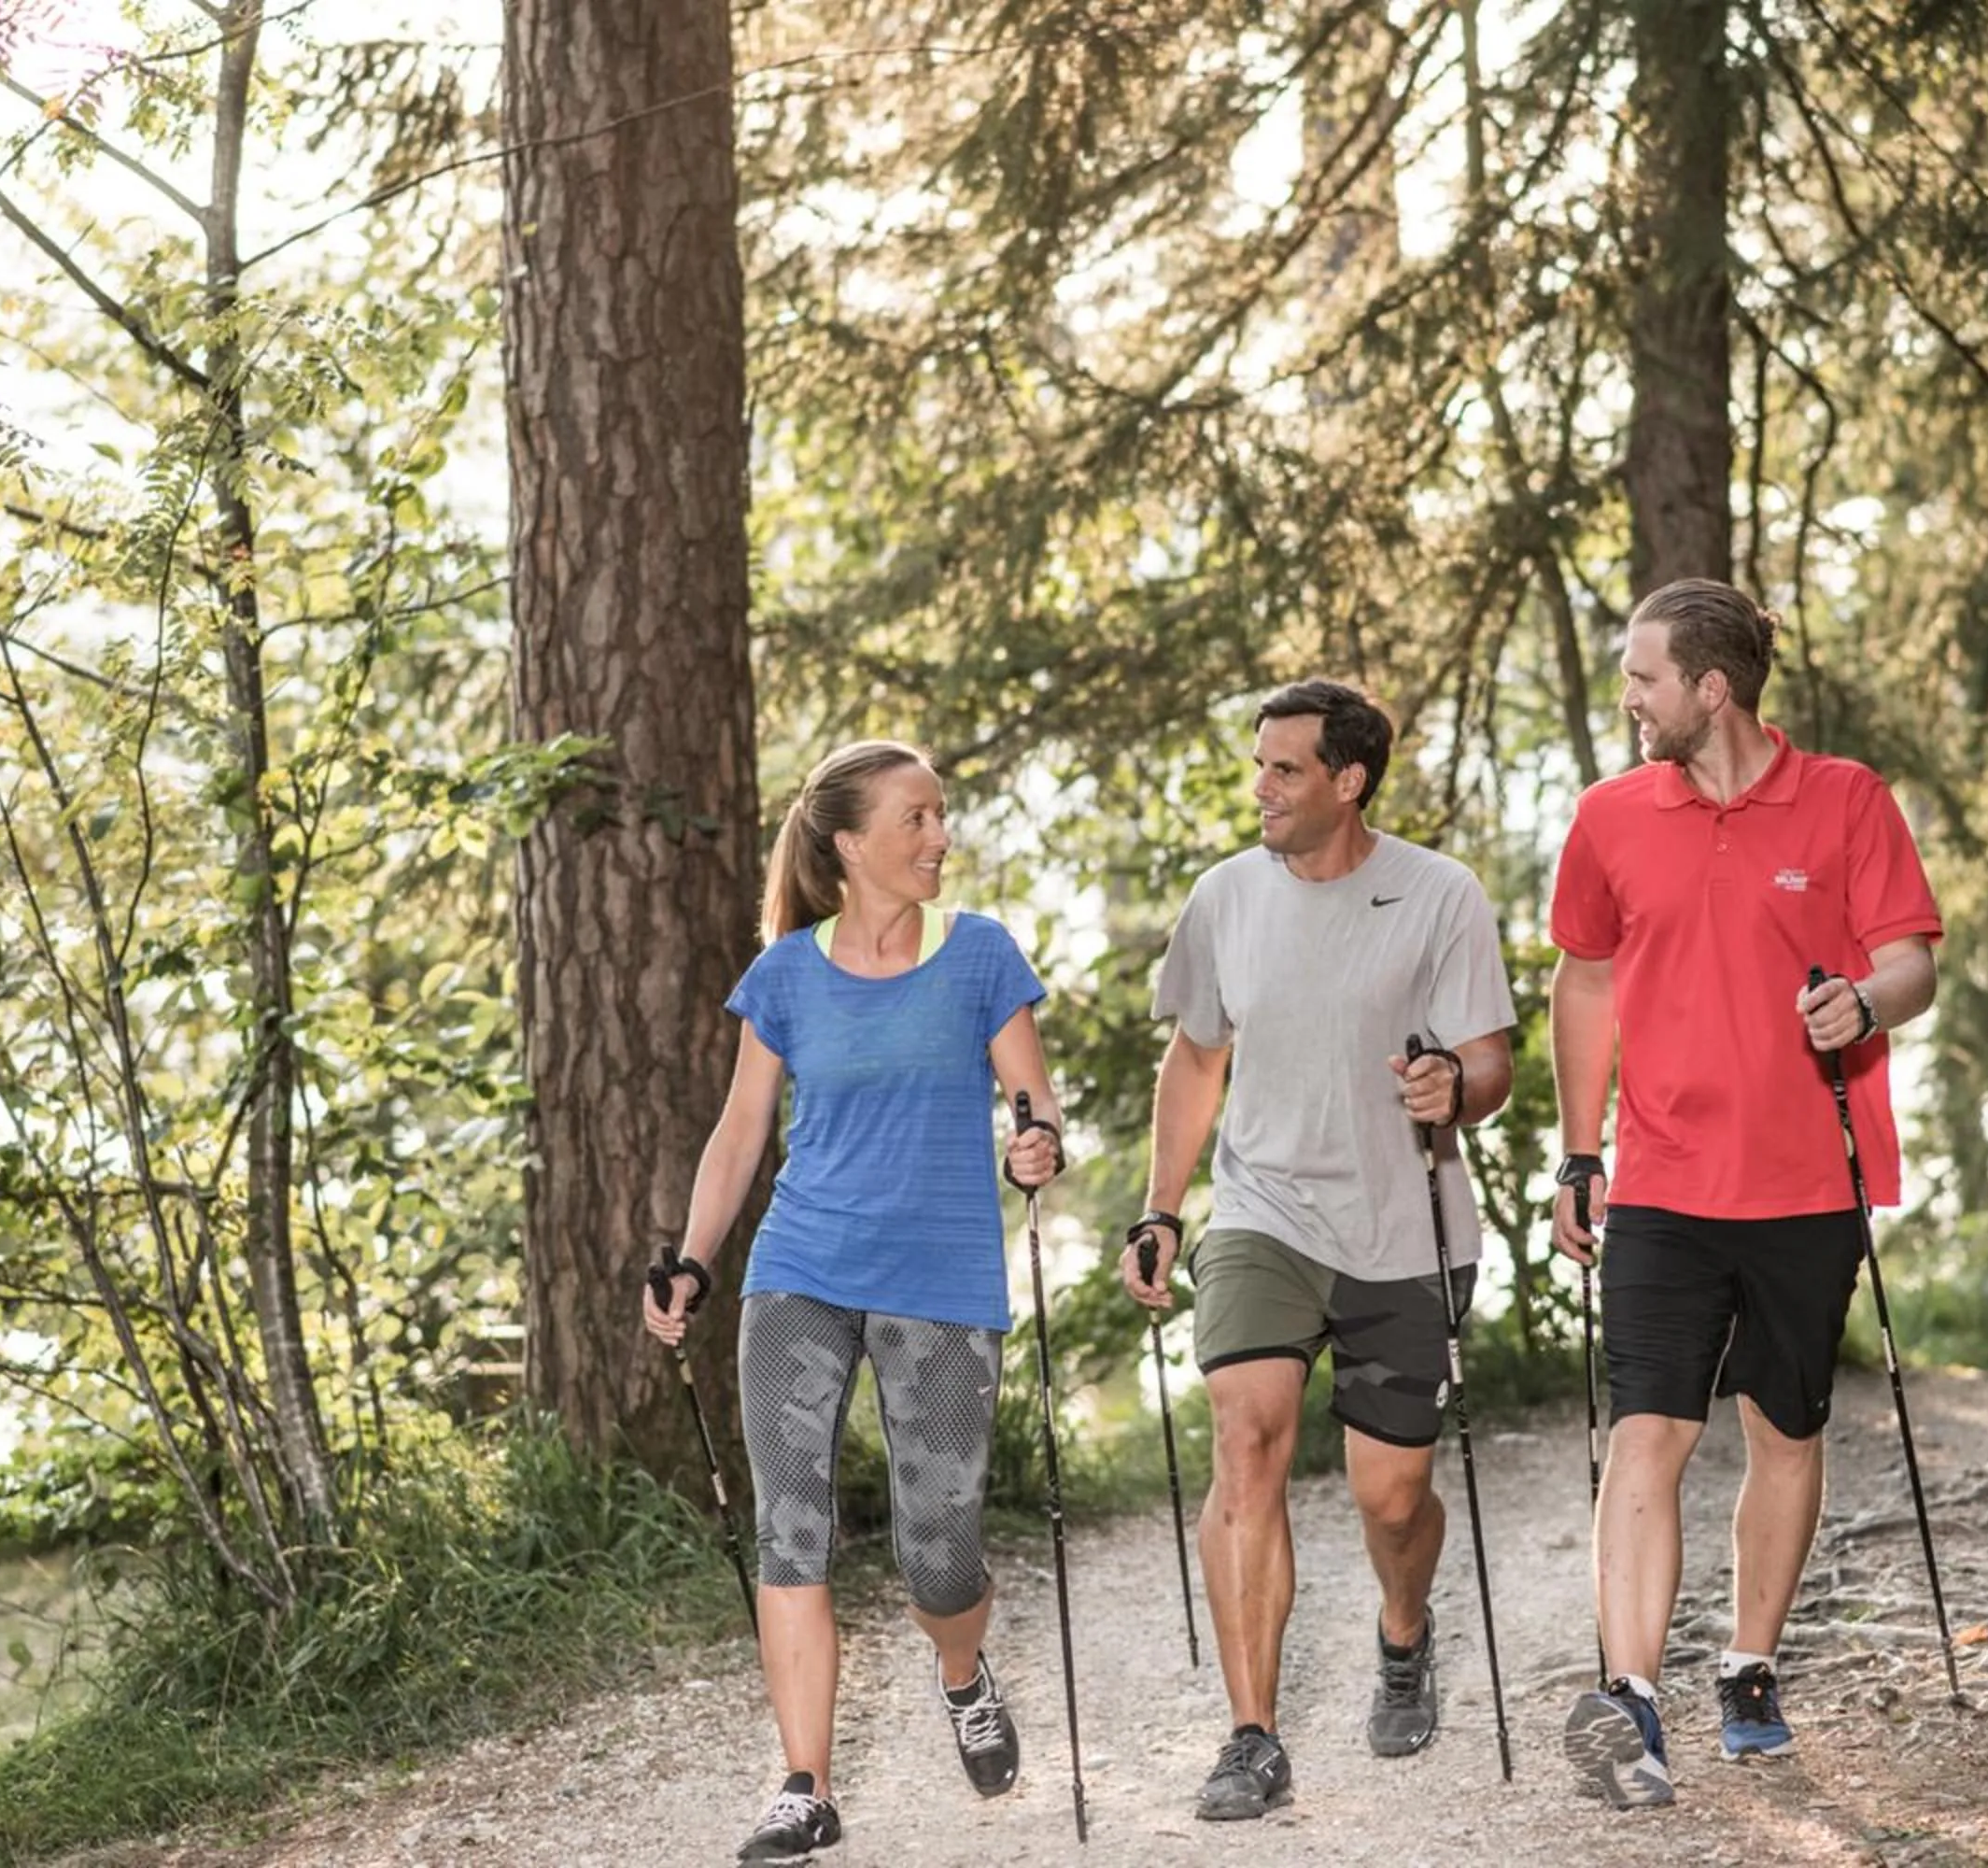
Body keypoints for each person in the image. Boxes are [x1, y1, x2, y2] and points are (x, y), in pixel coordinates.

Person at [1544, 578, 1942, 1810]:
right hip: (1662, 1182)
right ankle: (1634, 1703)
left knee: (1784, 1431)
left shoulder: (1845, 801)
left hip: (1808, 1183)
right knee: (1647, 1433)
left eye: (1645, 678)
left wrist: (1863, 1002)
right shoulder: (1611, 818)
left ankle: (1751, 1668)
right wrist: (1577, 1150)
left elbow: (1912, 960)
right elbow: (1587, 984)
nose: (1630, 697)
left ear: (1711, 691)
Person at [645, 741, 1067, 1865]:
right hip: (801, 1268)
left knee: (940, 1550)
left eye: (941, 816)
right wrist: (692, 1258)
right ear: (850, 844)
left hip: (939, 1277)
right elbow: (742, 1132)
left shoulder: (979, 953)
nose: (941, 836)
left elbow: (1035, 1097)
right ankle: (804, 1785)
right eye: (918, 818)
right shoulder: (784, 973)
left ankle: (964, 1671)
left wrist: (1037, 1140)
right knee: (791, 1526)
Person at [1117, 679, 1517, 1821]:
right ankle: (1252, 1733)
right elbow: (1197, 1058)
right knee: (1245, 1438)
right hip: (1263, 1216)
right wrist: (1161, 1205)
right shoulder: (1226, 896)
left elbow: (1487, 1062)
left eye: (1285, 769)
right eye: (1259, 766)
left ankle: (1404, 1628)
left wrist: (1457, 1084)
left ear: (1349, 779)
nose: (1261, 788)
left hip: (1405, 1228)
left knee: (1391, 1497)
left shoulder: (1438, 893)